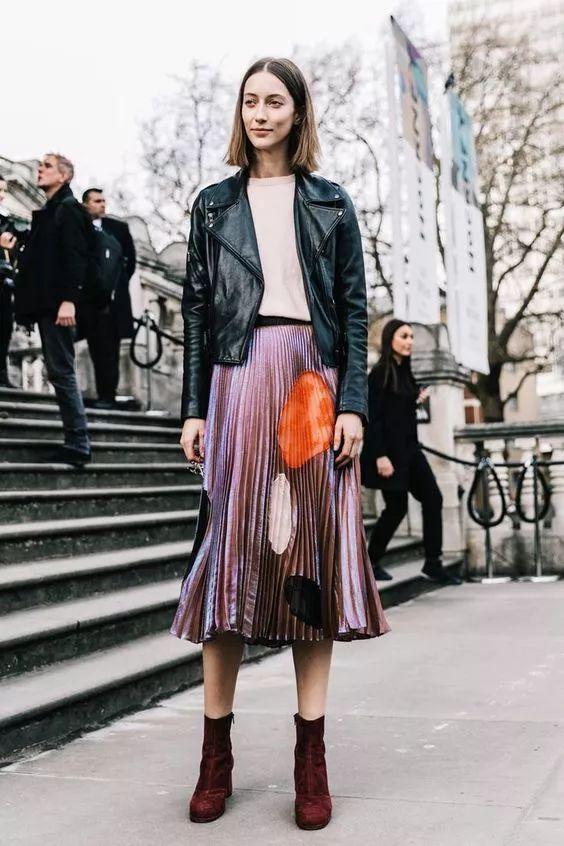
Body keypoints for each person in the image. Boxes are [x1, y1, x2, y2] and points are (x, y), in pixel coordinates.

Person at [171, 57, 390, 831]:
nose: (261, 113)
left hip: (312, 382)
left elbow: (356, 309)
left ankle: (310, 758)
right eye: (250, 101)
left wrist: (354, 405)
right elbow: (197, 310)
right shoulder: (213, 205)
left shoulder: (331, 202)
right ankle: (215, 756)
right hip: (235, 380)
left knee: (309, 566)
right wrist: (194, 409)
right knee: (227, 558)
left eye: (275, 101)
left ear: (298, 113)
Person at [360, 318, 462, 585]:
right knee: (396, 508)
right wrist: (380, 456)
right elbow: (374, 418)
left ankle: (433, 563)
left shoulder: (404, 372)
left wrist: (414, 400)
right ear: (390, 339)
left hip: (410, 452)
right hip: (389, 454)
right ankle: (370, 561)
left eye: (411, 337)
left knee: (433, 498)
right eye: (404, 336)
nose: (409, 342)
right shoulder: (380, 374)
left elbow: (398, 410)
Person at [14, 153, 94, 465]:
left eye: (47, 166)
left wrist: (69, 300)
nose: (40, 169)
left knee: (61, 371)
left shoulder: (69, 208)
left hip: (60, 307)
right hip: (49, 305)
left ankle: (78, 442)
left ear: (64, 176)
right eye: (40, 165)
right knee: (59, 371)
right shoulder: (52, 210)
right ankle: (76, 440)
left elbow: (76, 257)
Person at [81, 188, 136, 408]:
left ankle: (108, 396)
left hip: (113, 304)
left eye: (104, 201)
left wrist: (113, 288)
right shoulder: (80, 228)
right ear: (85, 204)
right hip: (89, 302)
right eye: (97, 201)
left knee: (111, 350)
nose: (102, 204)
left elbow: (129, 263)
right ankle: (101, 394)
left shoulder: (118, 229)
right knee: (95, 348)